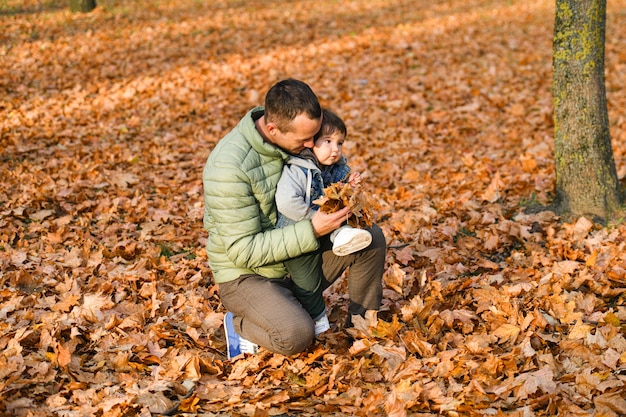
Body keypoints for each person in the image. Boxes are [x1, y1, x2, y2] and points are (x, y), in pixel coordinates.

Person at [202, 78, 386, 359]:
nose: (312, 144)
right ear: (273, 128)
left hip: (297, 259)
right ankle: (239, 325)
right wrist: (312, 228)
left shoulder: (294, 138)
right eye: (305, 140)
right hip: (248, 276)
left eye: (315, 135)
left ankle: (362, 329)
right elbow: (243, 251)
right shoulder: (229, 168)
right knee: (295, 336)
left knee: (369, 238)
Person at [275, 108, 373, 336]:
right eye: (327, 141)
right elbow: (287, 202)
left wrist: (350, 184)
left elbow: (339, 192)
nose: (335, 149)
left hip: (323, 230)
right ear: (310, 142)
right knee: (307, 283)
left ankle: (343, 236)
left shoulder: (329, 168)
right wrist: (313, 219)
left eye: (340, 143)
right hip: (295, 236)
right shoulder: (298, 169)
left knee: (354, 224)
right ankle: (318, 321)